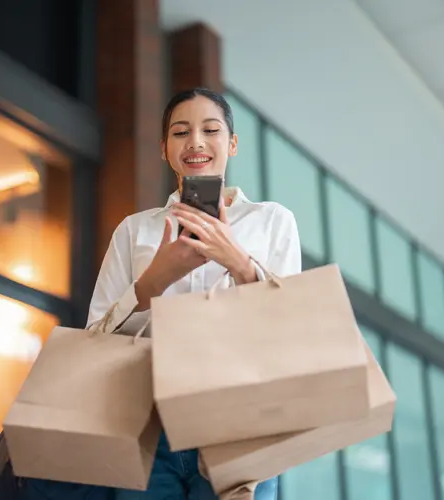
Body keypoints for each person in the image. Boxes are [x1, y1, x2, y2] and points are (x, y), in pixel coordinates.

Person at [86, 88, 302, 500]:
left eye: (211, 130)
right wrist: (154, 282)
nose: (196, 142)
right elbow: (95, 339)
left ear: (233, 144)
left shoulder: (272, 220)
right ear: (164, 149)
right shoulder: (136, 230)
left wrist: (237, 261)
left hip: (243, 422)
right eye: (180, 132)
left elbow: (292, 328)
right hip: (147, 426)